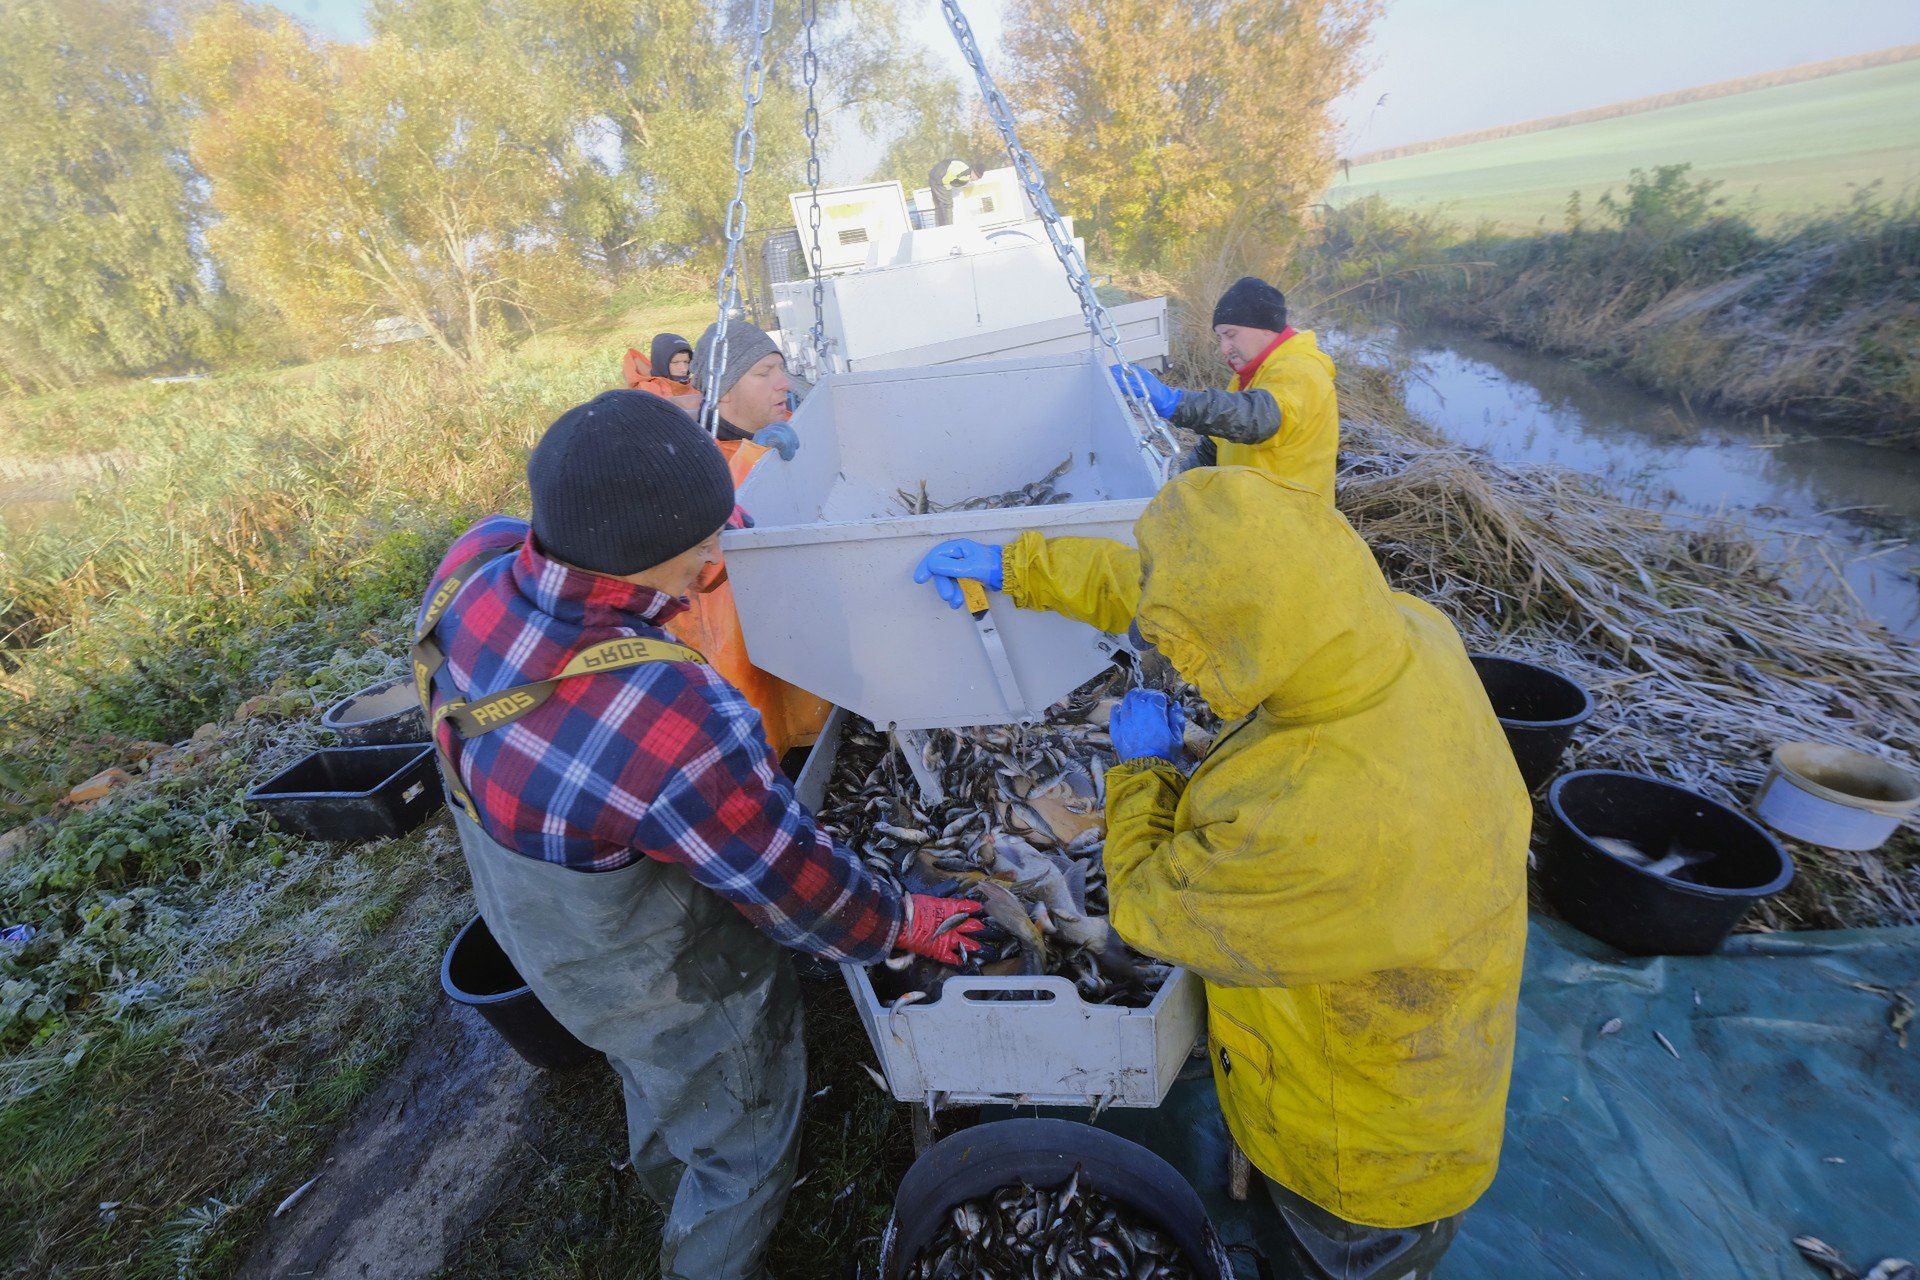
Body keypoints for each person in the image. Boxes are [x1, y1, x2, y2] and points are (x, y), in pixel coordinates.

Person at [910, 467, 1529, 1280]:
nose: (1182, 660)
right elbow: (1193, 591)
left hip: (1365, 1140)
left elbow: (1147, 907)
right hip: (1363, 1001)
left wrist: (1142, 774)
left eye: (1193, 650)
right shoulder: (1397, 632)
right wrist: (1021, 569)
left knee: (1330, 1252)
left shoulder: (1312, 813)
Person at [417, 390, 981, 1280]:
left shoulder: (477, 561)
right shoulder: (673, 719)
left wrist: (706, 525)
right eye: (705, 548)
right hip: (656, 971)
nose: (719, 558)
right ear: (649, 557)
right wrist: (897, 922)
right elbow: (791, 883)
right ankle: (706, 1250)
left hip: (534, 923)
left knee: (651, 1065)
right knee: (739, 1129)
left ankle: (664, 1166)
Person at [667, 319, 826, 757]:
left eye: (782, 369)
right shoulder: (688, 460)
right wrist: (756, 458)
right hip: (736, 661)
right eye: (764, 373)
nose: (783, 384)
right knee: (766, 749)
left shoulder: (791, 432)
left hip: (798, 650)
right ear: (723, 391)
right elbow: (706, 565)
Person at [1110, 276, 1340, 499]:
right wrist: (1176, 485)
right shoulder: (1251, 374)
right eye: (1220, 338)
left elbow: (1255, 418)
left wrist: (1175, 402)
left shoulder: (1301, 369)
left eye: (1231, 335)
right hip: (1253, 513)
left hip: (1293, 523)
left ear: (1267, 328)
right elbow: (1216, 444)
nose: (1224, 348)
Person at [621, 332, 698, 402]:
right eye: (675, 363)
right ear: (661, 364)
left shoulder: (696, 385)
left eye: (686, 362)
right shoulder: (647, 392)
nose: (684, 369)